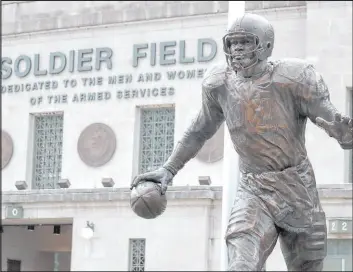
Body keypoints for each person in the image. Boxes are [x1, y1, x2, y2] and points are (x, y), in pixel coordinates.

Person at [130, 13, 353, 271]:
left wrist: (344, 133)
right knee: (241, 263)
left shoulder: (295, 78)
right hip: (254, 188)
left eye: (246, 42)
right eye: (233, 42)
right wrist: (168, 169)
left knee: (308, 266)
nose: (237, 48)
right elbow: (199, 130)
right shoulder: (219, 84)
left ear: (266, 45)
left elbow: (332, 121)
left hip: (297, 187)